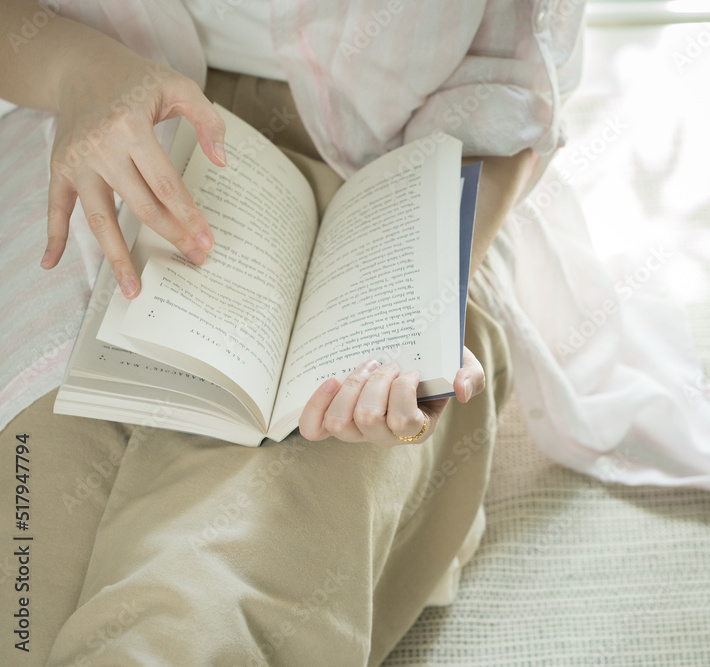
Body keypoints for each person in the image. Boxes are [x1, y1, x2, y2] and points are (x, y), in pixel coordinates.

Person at [0, 0, 584, 663]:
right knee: (25, 575)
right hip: (106, 134)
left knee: (209, 603)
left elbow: (514, 92)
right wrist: (78, 66)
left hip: (405, 186)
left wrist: (421, 309)